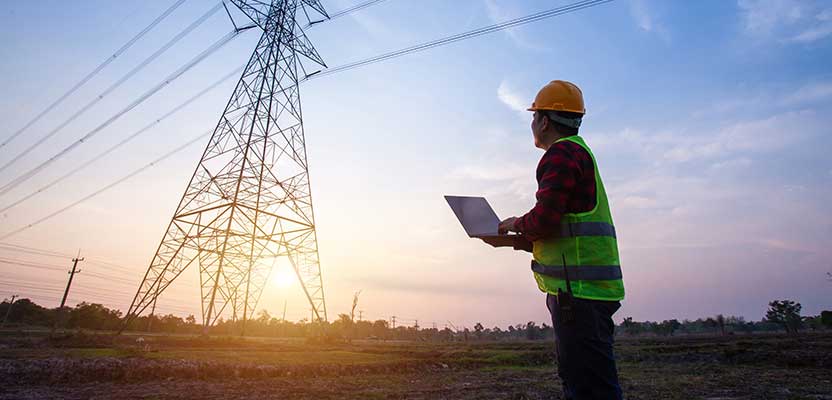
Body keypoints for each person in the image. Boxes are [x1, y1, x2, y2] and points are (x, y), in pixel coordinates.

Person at [481, 80, 625, 399]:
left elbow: (545, 219)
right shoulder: (580, 153)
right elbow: (561, 229)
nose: (531, 124)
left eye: (534, 117)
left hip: (578, 296)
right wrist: (515, 240)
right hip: (586, 294)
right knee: (586, 380)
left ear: (544, 121)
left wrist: (514, 224)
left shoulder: (561, 155)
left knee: (590, 387)